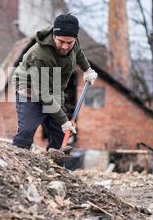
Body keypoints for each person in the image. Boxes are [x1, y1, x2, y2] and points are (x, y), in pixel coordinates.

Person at [11, 13, 97, 150]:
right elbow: (43, 95)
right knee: (27, 131)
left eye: (69, 42)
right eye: (61, 42)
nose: (65, 46)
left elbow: (78, 53)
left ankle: (54, 166)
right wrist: (64, 121)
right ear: (54, 36)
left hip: (52, 87)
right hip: (30, 90)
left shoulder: (73, 42)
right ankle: (16, 163)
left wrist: (87, 70)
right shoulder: (40, 55)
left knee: (60, 134)